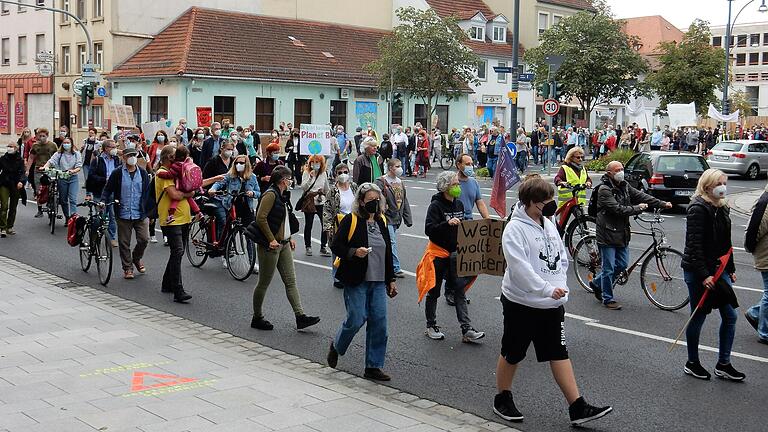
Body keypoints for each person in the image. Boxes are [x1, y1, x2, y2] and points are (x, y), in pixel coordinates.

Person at [494, 177, 612, 426]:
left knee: (558, 352)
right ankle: (502, 397)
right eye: (545, 201)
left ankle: (577, 406)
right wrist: (545, 288)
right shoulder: (515, 229)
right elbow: (519, 269)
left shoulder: (547, 224)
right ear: (531, 202)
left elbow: (560, 257)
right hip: (521, 303)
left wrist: (561, 287)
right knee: (513, 352)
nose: (551, 205)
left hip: (551, 304)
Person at [327, 182, 398, 381]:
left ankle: (373, 366)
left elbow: (388, 252)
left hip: (378, 281)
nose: (375, 204)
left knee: (379, 324)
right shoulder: (351, 220)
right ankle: (337, 346)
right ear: (361, 202)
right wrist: (353, 252)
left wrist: (391, 279)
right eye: (370, 201)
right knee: (356, 319)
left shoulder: (382, 221)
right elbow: (336, 245)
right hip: (356, 279)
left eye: (377, 200)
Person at [681, 169, 744, 380]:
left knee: (730, 315)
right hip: (699, 272)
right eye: (719, 183)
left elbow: (727, 243)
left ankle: (723, 364)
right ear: (707, 185)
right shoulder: (698, 208)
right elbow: (694, 245)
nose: (723, 187)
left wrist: (731, 268)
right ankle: (692, 362)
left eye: (724, 182)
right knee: (698, 316)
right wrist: (704, 275)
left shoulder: (722, 207)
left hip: (720, 269)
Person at [247, 165, 321, 331]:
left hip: (284, 243)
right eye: (289, 179)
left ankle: (300, 316)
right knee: (264, 283)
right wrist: (271, 239)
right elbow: (261, 218)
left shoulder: (283, 195)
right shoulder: (270, 195)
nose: (291, 182)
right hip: (271, 246)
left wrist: (289, 237)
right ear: (283, 180)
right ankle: (257, 317)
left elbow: (284, 219)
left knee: (290, 281)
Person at [592, 161, 671, 309]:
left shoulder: (624, 186)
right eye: (617, 170)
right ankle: (607, 298)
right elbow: (618, 209)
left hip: (622, 232)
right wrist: (637, 208)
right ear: (609, 173)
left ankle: (596, 283)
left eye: (622, 169)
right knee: (608, 268)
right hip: (607, 233)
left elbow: (641, 195)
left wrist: (661, 203)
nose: (621, 172)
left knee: (621, 265)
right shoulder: (604, 189)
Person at [420, 171, 485, 343]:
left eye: (458, 184)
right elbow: (429, 229)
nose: (458, 187)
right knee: (434, 291)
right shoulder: (435, 206)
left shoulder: (459, 205)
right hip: (438, 253)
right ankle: (431, 325)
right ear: (445, 187)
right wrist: (446, 224)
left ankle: (466, 329)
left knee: (459, 290)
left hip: (455, 254)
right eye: (455, 184)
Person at [100, 147, 151, 279]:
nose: (132, 157)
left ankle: (137, 258)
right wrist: (103, 201)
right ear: (124, 158)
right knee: (124, 242)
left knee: (144, 239)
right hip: (123, 212)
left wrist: (151, 212)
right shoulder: (117, 173)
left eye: (134, 155)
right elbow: (108, 189)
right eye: (129, 155)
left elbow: (148, 194)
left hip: (140, 213)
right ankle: (127, 268)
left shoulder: (143, 173)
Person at [155, 146, 193, 303]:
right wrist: (188, 193)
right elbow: (174, 194)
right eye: (174, 156)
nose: (177, 159)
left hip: (183, 217)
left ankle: (167, 283)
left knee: (178, 251)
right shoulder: (162, 173)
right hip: (171, 219)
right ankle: (178, 289)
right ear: (168, 157)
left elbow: (193, 186)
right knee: (177, 251)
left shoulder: (176, 173)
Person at [375, 158, 412, 279]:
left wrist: (408, 218)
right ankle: (395, 267)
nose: (400, 168)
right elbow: (375, 198)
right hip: (386, 217)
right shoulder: (381, 181)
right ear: (390, 168)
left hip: (397, 218)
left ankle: (382, 264)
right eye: (397, 166)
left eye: (400, 165)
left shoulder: (400, 182)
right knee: (391, 242)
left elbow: (404, 200)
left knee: (386, 243)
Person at [324, 163, 358, 288]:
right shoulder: (333, 191)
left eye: (345, 172)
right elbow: (327, 209)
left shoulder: (354, 187)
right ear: (335, 175)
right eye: (340, 173)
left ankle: (351, 274)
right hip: (338, 224)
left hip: (353, 223)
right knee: (337, 250)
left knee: (352, 249)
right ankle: (337, 277)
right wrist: (328, 227)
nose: (343, 174)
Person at [744, 182, 768, 344]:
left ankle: (755, 313)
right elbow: (755, 229)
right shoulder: (765, 204)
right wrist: (751, 247)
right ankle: (764, 332)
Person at [203, 141, 235, 247]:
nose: (229, 152)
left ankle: (227, 243)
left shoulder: (234, 162)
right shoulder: (213, 161)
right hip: (215, 195)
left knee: (232, 220)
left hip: (229, 196)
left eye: (231, 149)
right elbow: (204, 180)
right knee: (223, 220)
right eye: (228, 149)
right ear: (221, 149)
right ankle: (223, 246)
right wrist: (215, 181)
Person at [42, 137, 82, 221]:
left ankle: (73, 218)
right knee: (63, 200)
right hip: (62, 177)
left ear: (71, 144)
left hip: (72, 177)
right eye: (64, 143)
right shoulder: (59, 154)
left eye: (68, 143)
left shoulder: (76, 154)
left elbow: (79, 166)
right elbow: (51, 161)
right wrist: (44, 167)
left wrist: (73, 171)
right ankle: (67, 217)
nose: (66, 144)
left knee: (72, 199)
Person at [300, 155, 331, 257]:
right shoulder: (306, 172)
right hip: (310, 201)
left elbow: (327, 189)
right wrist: (310, 177)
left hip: (320, 201)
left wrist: (329, 198)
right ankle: (308, 246)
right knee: (309, 224)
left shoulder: (323, 174)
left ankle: (323, 246)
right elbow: (304, 187)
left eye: (317, 162)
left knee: (325, 225)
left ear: (321, 164)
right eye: (313, 162)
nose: (315, 164)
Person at [30, 128, 58, 217]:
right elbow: (31, 158)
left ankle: (52, 201)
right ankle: (39, 210)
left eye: (43, 136)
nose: (42, 138)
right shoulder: (35, 146)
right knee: (39, 190)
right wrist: (27, 170)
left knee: (52, 188)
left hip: (50, 170)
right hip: (38, 169)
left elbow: (57, 156)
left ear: (47, 136)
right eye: (40, 136)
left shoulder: (52, 145)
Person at [0, 142, 26, 237]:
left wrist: (21, 182)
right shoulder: (3, 159)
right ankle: (2, 227)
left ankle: (9, 227)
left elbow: (23, 172)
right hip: (4, 183)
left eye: (11, 146)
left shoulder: (20, 160)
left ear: (16, 148)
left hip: (15, 184)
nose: (9, 148)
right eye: (8, 146)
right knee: (4, 205)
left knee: (13, 207)